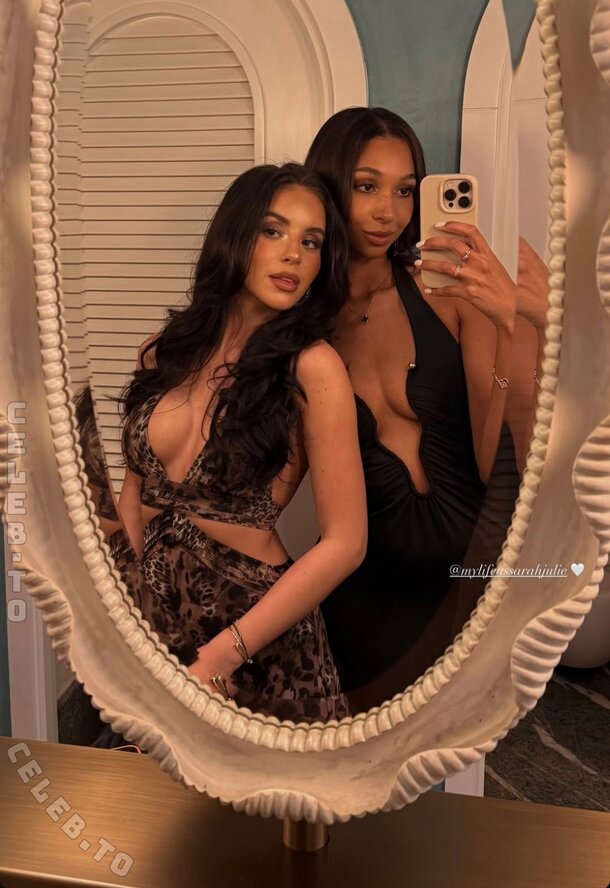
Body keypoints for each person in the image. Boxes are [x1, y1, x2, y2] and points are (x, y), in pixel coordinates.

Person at [108, 163, 367, 724]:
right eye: (273, 231)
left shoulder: (312, 367)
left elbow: (347, 542)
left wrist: (220, 657)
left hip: (257, 641)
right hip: (152, 626)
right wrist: (126, 614)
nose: (293, 254)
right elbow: (134, 495)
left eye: (311, 242)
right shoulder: (162, 352)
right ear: (235, 235)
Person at [305, 107, 521, 709]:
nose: (389, 212)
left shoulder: (446, 293)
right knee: (358, 756)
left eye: (405, 190)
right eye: (366, 186)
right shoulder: (301, 324)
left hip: (469, 582)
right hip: (364, 594)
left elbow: (492, 460)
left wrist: (508, 322)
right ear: (328, 186)